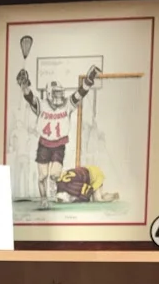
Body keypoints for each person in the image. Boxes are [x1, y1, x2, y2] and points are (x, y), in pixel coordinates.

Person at [16, 66, 101, 209]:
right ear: (49, 93)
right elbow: (29, 97)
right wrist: (24, 85)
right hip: (44, 144)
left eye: (60, 93)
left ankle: (59, 194)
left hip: (59, 145)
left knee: (55, 175)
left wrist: (89, 79)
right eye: (55, 93)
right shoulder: (42, 105)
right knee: (42, 176)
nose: (59, 96)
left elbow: (81, 93)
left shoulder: (67, 104)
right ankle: (44, 199)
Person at [55, 164, 119, 204]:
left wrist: (81, 199)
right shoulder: (63, 186)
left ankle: (112, 196)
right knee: (97, 198)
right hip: (86, 172)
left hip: (94, 174)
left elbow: (88, 191)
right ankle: (108, 196)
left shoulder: (73, 188)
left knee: (98, 199)